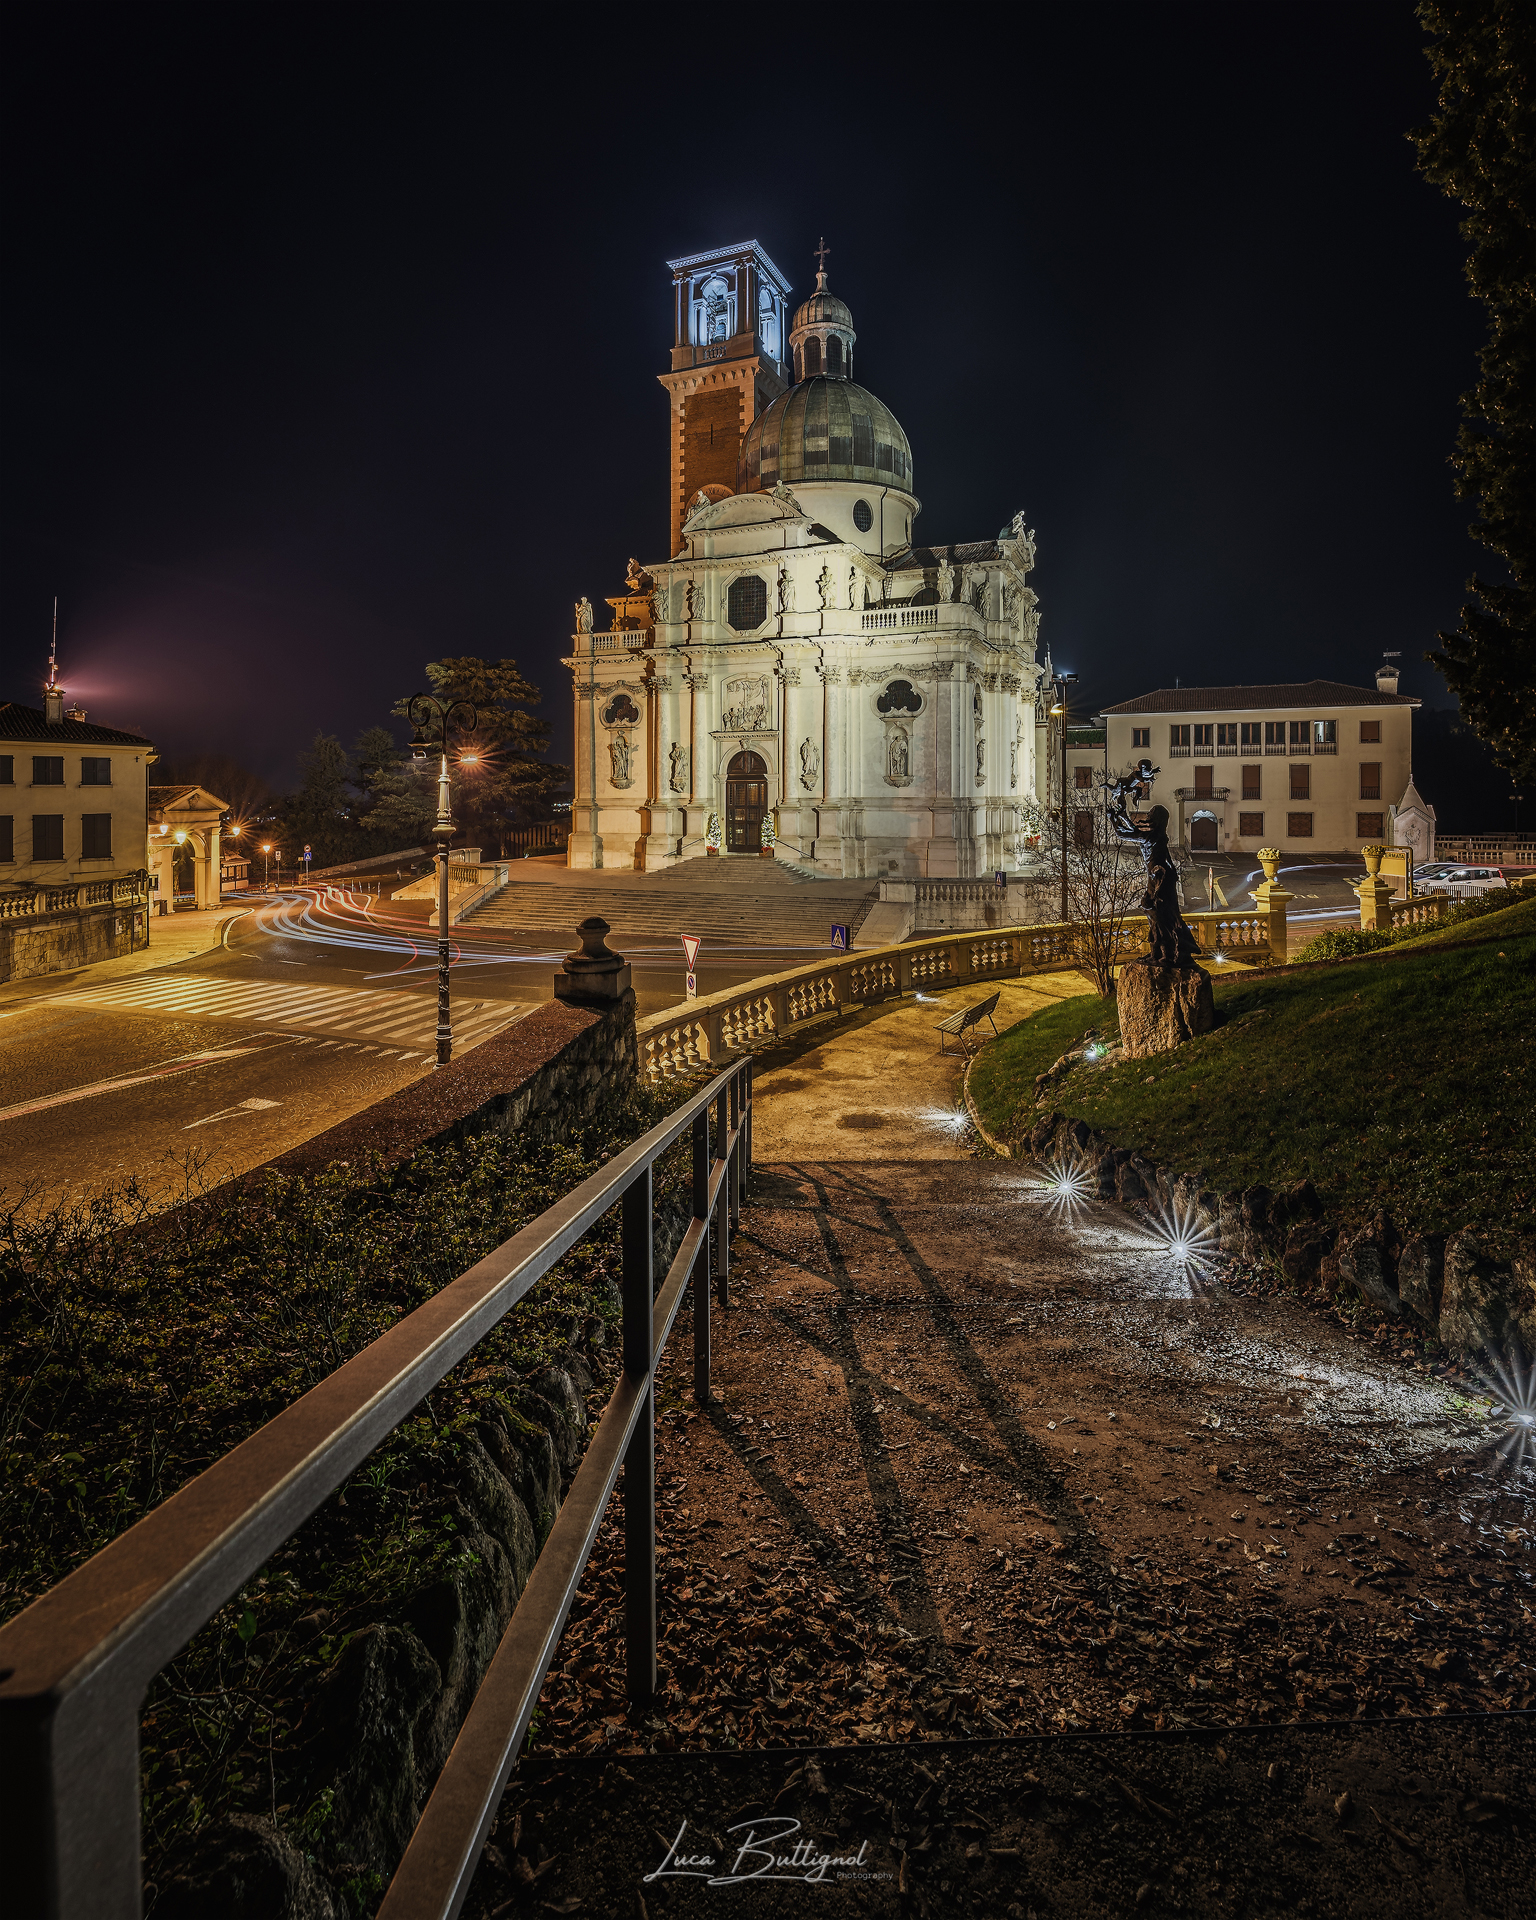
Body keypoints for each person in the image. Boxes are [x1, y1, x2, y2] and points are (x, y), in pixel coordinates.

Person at [1105, 765, 1199, 968]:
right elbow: (1132, 828)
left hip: (1160, 878)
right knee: (1154, 914)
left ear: (1155, 819)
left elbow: (1124, 833)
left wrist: (1114, 818)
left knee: (1160, 916)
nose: (1146, 817)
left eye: (1150, 815)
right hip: (1158, 876)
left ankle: (1167, 954)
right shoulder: (1156, 835)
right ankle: (1157, 952)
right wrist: (1120, 813)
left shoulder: (1152, 836)